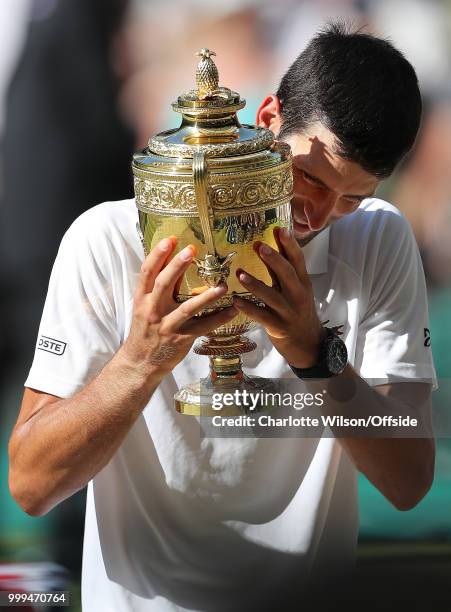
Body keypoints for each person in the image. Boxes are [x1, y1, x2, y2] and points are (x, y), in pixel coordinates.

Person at [8, 23, 436, 611]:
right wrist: (139, 361)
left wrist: (315, 353)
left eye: (350, 198)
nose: (318, 214)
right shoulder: (108, 240)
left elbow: (409, 480)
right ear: (267, 119)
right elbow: (31, 486)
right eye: (309, 177)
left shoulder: (376, 239)